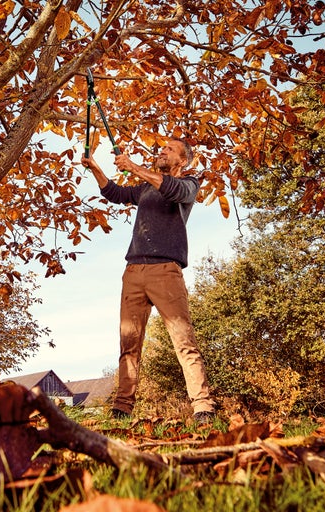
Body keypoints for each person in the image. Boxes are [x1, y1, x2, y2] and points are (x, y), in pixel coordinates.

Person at [81, 138, 217, 426]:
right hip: (134, 271)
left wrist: (132, 166)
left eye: (170, 149)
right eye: (162, 148)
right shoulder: (145, 188)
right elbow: (114, 193)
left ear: (182, 161)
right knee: (128, 343)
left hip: (166, 271)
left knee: (183, 341)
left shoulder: (189, 183)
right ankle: (122, 409)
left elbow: (172, 189)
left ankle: (203, 407)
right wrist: (95, 167)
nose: (162, 151)